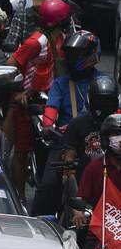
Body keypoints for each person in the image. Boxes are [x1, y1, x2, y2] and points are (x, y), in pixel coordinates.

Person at [6, 0, 72, 195]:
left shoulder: (64, 37)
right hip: (29, 104)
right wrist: (17, 93)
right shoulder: (36, 42)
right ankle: (20, 200)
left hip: (53, 102)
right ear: (60, 21)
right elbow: (9, 64)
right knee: (22, 152)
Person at [40, 73, 116, 218]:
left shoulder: (118, 124)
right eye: (100, 102)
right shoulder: (78, 124)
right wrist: (70, 179)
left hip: (114, 184)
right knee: (48, 187)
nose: (103, 107)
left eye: (107, 102)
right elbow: (69, 154)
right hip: (85, 187)